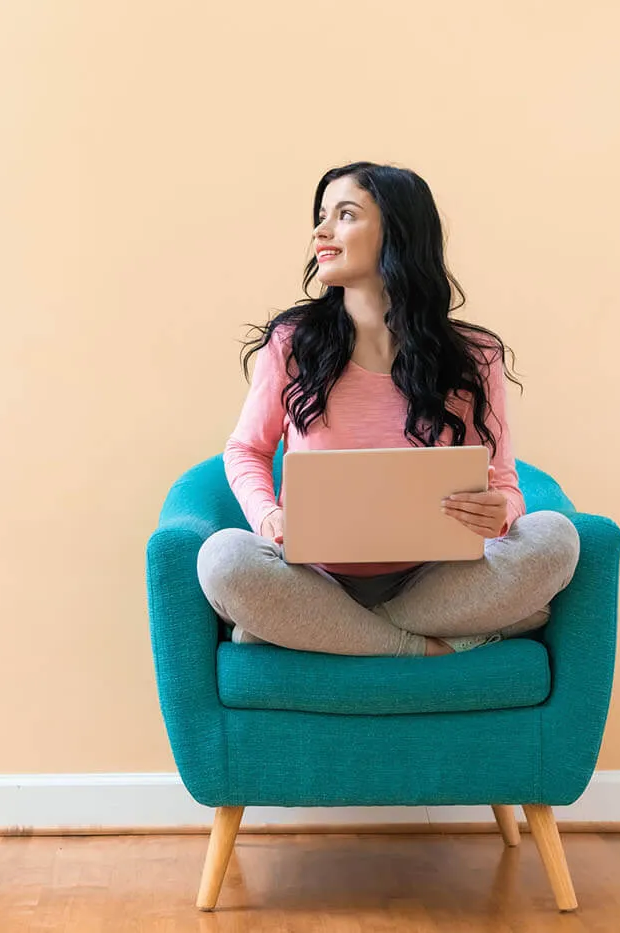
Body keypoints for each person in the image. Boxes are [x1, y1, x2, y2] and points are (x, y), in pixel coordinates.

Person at [196, 162, 580, 658]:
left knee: (558, 538)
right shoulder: (291, 343)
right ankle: (420, 646)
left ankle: (322, 635)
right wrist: (268, 517)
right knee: (224, 559)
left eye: (345, 214)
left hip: (436, 579)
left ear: (397, 233)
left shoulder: (475, 356)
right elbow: (246, 449)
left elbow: (503, 482)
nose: (321, 231)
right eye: (321, 216)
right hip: (313, 579)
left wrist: (500, 513)